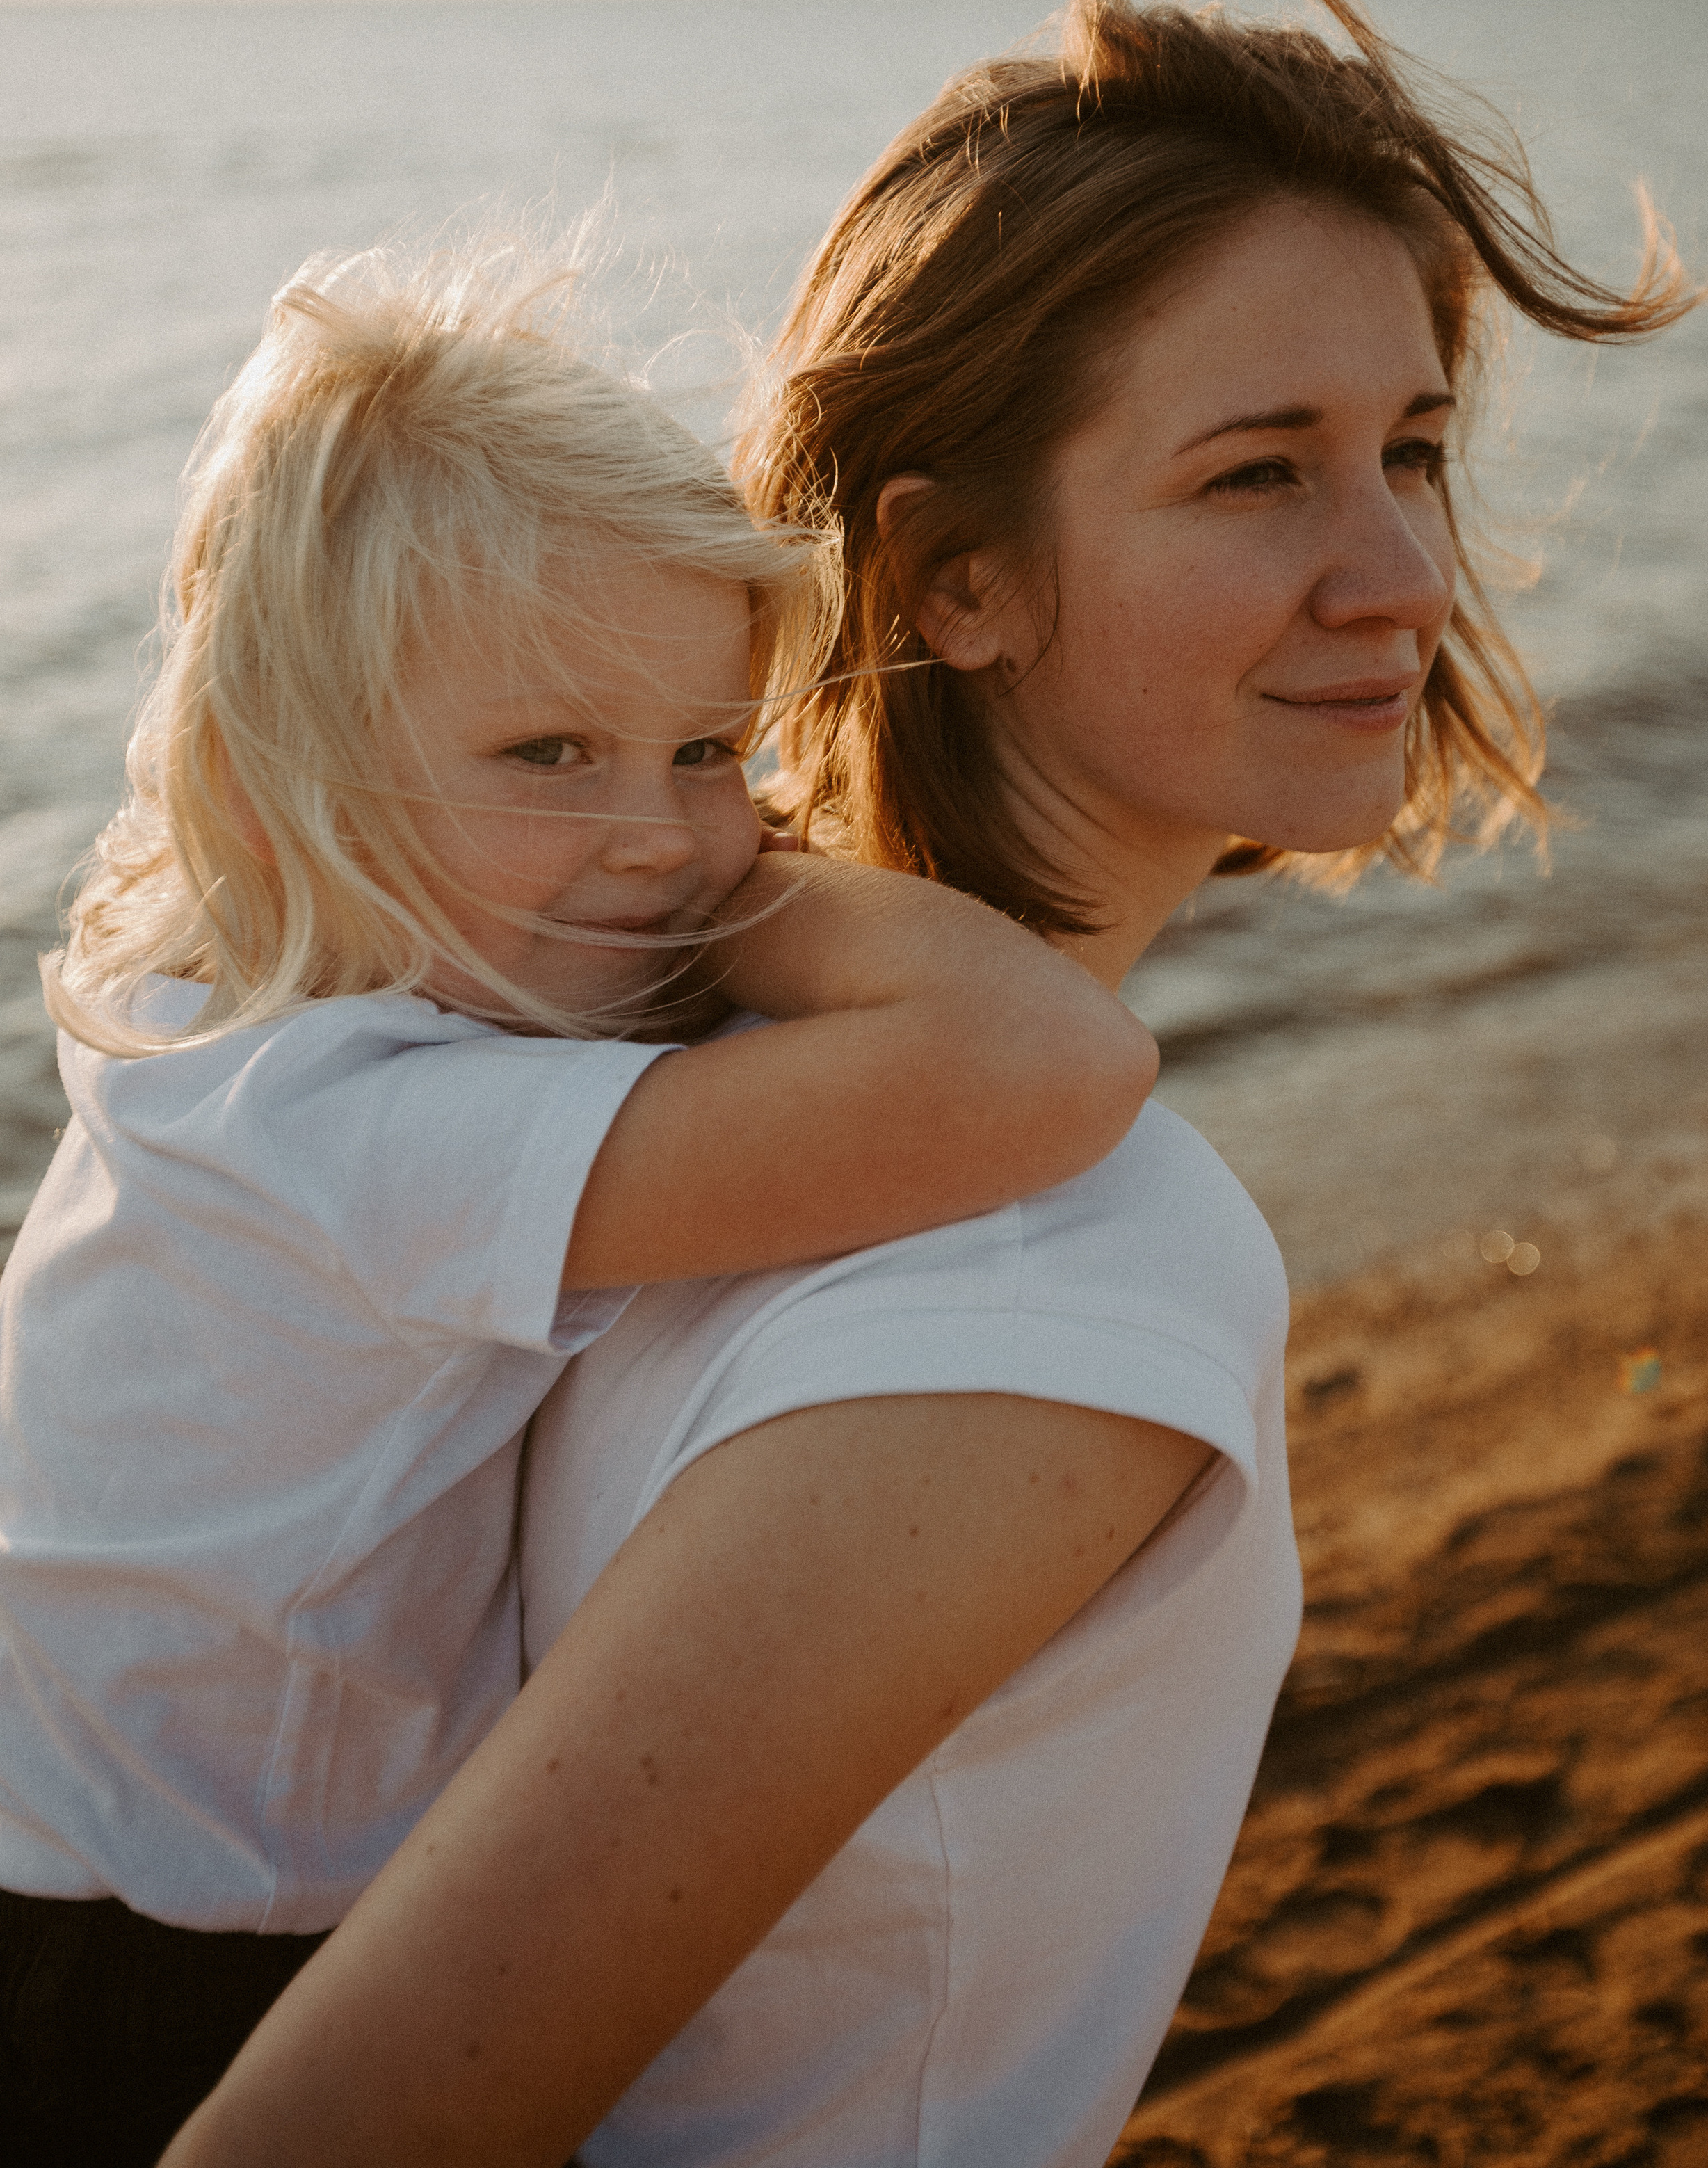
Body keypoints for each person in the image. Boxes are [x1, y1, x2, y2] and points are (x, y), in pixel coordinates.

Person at [165, 0, 1695, 2168]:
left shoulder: (545, 1051)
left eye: (1417, 448)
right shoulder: (1054, 1280)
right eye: (1256, 472)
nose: (1397, 570)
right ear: (953, 576)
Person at [0, 239, 1159, 2167]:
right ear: (288, 782)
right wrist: (752, 891)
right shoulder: (360, 1126)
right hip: (139, 1942)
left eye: (714, 751)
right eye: (548, 753)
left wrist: (652, 836)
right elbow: (1050, 1068)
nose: (663, 831)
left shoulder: (233, 992)